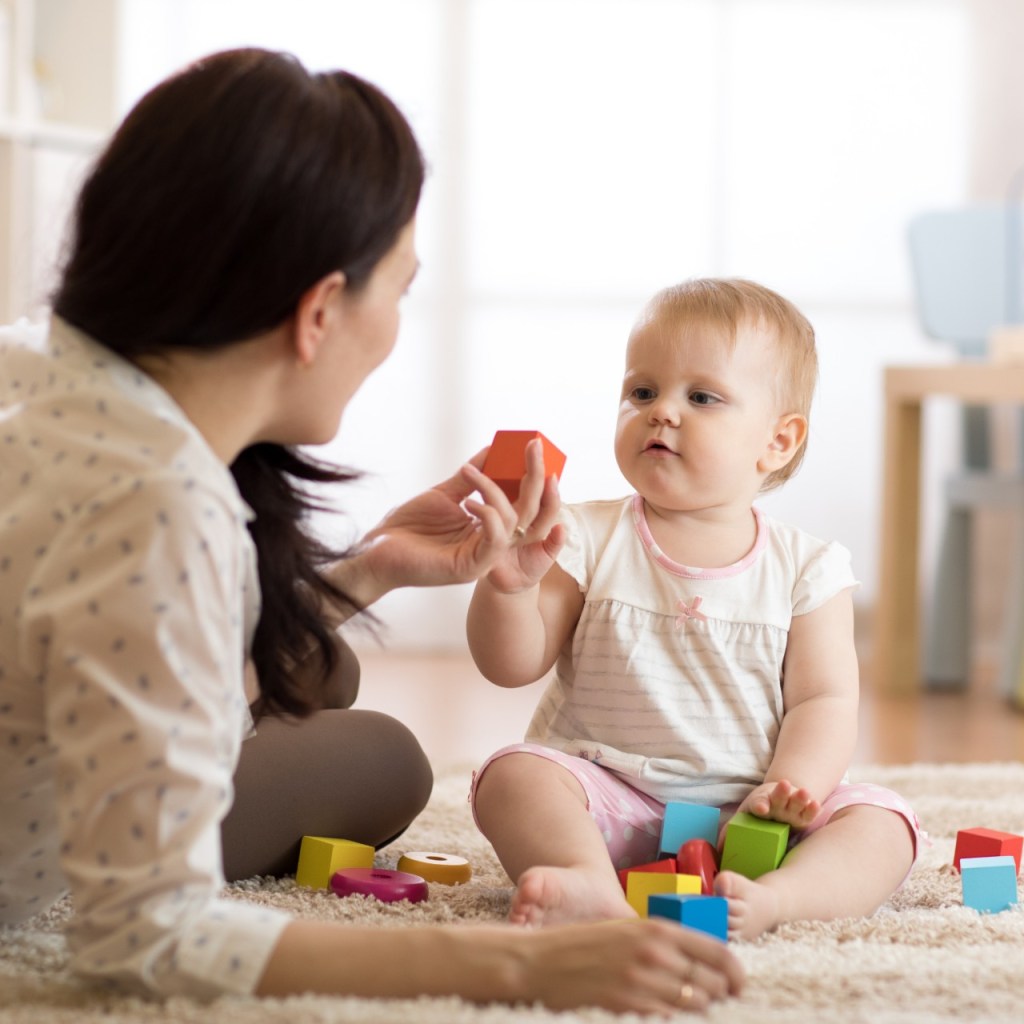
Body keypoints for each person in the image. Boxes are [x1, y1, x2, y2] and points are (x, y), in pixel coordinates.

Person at [0, 48, 744, 1014]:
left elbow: (119, 618)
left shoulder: (39, 365)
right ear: (317, 312)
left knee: (324, 667)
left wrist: (380, 564)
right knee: (377, 749)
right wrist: (518, 969)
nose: (396, 325)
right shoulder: (159, 509)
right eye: (397, 289)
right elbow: (142, 934)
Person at [467, 278, 927, 941]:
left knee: (886, 825)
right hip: (612, 798)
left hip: (753, 811)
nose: (662, 412)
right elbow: (511, 664)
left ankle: (778, 899)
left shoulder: (808, 566)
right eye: (642, 392)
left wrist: (793, 786)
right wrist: (507, 588)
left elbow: (823, 701)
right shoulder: (586, 535)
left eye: (702, 397)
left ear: (778, 441)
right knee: (513, 776)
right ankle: (585, 877)